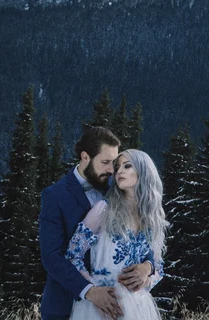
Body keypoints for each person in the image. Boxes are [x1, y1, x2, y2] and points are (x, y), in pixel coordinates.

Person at [39, 127, 155, 320]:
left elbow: (139, 236)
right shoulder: (55, 196)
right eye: (105, 162)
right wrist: (91, 292)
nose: (112, 170)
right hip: (68, 305)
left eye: (115, 163)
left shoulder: (118, 188)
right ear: (85, 157)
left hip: (121, 306)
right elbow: (51, 256)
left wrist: (147, 266)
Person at [66, 149, 169, 320]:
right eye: (117, 167)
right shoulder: (103, 210)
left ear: (144, 170)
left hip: (138, 307)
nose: (119, 171)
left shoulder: (152, 218)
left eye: (127, 166)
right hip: (103, 304)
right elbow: (72, 255)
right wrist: (92, 290)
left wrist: (147, 272)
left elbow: (159, 265)